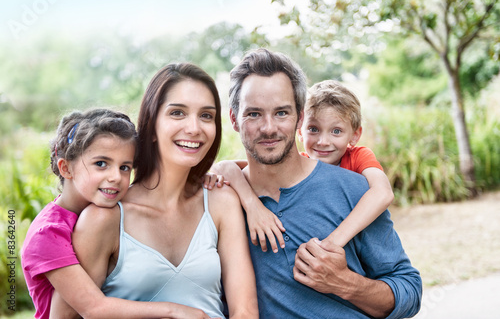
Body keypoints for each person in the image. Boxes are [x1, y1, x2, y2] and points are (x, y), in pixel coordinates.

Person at [218, 48, 422, 318]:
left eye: (281, 113)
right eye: (254, 114)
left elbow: (410, 291)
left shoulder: (356, 190)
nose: (268, 128)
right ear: (234, 119)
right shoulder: (219, 200)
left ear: (300, 118)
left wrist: (345, 284)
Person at [71, 63, 258, 319]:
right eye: (178, 113)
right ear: (152, 124)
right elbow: (73, 314)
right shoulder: (106, 217)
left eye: (206, 115)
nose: (194, 128)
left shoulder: (220, 202)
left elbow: (245, 312)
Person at [21, 109, 213, 318]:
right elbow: (92, 308)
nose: (116, 177)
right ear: (66, 168)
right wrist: (174, 309)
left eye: (124, 167)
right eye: (101, 164)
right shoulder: (48, 234)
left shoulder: (108, 207)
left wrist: (200, 179)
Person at [211, 80, 394, 252]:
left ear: (354, 135)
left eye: (336, 131)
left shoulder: (358, 156)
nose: (323, 142)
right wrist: (253, 206)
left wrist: (331, 243)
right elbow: (228, 167)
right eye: (313, 129)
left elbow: (383, 193)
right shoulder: (302, 164)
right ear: (299, 129)